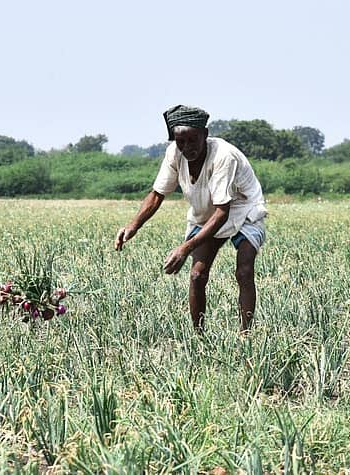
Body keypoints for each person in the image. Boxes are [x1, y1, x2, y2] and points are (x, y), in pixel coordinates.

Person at [114, 105, 267, 332]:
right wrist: (133, 226)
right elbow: (157, 194)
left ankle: (247, 335)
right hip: (206, 214)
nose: (187, 148)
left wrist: (184, 248)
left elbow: (223, 212)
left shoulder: (224, 156)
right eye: (180, 142)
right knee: (197, 275)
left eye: (193, 140)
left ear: (205, 134)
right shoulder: (174, 154)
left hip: (243, 209)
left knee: (244, 271)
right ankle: (199, 336)